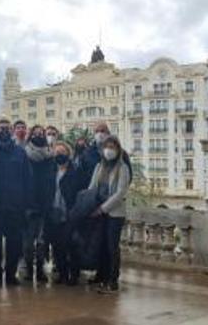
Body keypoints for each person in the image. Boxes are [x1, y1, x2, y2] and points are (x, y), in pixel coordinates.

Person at [0, 119, 33, 286]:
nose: (4, 131)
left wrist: (27, 204)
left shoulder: (20, 152)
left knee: (15, 243)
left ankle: (11, 274)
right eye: (0, 128)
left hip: (16, 205)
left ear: (12, 131)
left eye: (7, 128)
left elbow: (28, 179)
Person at [88, 136, 131, 293]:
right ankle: (102, 275)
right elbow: (92, 188)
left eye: (112, 147)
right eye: (107, 147)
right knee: (100, 245)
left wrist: (103, 208)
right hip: (98, 212)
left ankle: (113, 279)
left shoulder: (123, 168)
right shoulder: (99, 167)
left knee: (112, 247)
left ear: (118, 149)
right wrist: (90, 205)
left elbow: (120, 193)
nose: (109, 150)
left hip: (114, 213)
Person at [24, 124, 56, 283]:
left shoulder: (50, 156)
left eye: (41, 133)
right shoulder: (25, 154)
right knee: (28, 242)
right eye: (35, 133)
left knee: (42, 242)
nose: (39, 135)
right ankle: (29, 270)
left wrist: (49, 201)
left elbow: (52, 181)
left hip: (45, 203)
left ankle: (40, 270)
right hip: (29, 203)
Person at [46, 142, 81, 286]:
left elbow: (80, 192)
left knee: (71, 245)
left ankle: (74, 274)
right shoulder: (50, 170)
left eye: (62, 152)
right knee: (57, 245)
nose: (59, 154)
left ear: (68, 153)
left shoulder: (76, 171)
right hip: (53, 212)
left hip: (69, 212)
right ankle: (62, 273)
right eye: (57, 152)